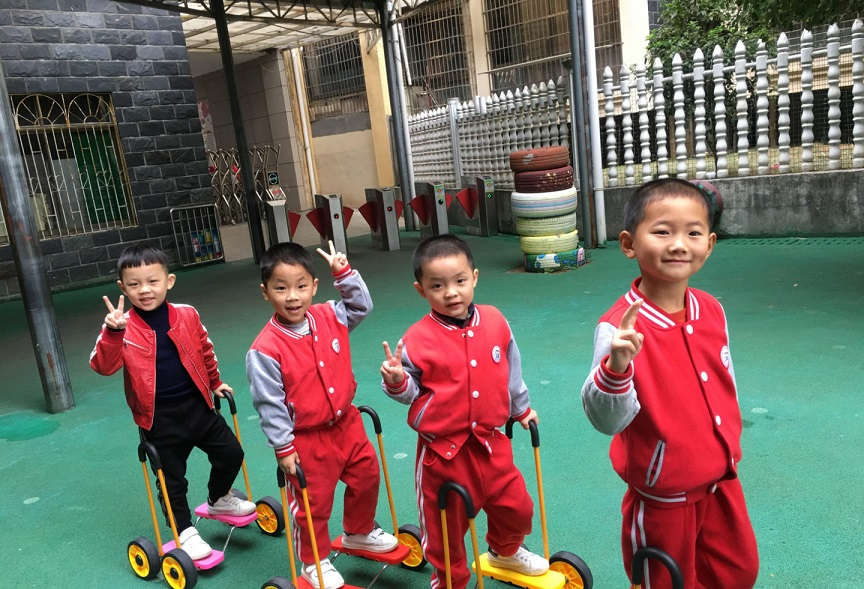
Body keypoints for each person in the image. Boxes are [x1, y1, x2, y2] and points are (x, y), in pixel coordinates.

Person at [581, 178, 759, 589]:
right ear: (629, 244)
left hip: (721, 479)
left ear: (709, 245)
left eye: (693, 233)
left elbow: (724, 381)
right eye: (662, 232)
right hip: (664, 497)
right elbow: (606, 420)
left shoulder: (711, 310)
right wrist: (616, 367)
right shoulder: (617, 329)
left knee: (737, 571)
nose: (679, 244)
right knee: (664, 580)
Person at [380, 234, 549, 589]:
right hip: (443, 454)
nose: (451, 293)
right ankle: (449, 581)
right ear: (421, 290)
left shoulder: (495, 321)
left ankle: (504, 551)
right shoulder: (416, 339)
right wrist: (397, 381)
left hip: (490, 442)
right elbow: (410, 393)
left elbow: (511, 370)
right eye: (437, 286)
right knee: (446, 530)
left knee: (517, 507)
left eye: (459, 281)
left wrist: (521, 409)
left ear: (474, 277)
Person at [247, 241, 397, 589]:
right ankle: (314, 560)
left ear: (314, 286)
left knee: (367, 476)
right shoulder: (265, 349)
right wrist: (283, 448)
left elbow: (361, 306)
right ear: (265, 292)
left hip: (348, 424)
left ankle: (359, 531)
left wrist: (344, 274)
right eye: (280, 288)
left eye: (301, 286)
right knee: (313, 502)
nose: (292, 297)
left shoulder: (330, 314)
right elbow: (269, 403)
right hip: (307, 439)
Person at [90, 245, 255, 561]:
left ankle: (219, 498)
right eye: (135, 284)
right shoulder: (121, 326)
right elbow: (103, 366)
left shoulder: (187, 314)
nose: (145, 290)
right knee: (172, 480)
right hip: (159, 419)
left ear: (169, 281)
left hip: (199, 408)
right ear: (122, 288)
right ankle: (184, 530)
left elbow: (204, 348)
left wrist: (215, 382)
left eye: (153, 281)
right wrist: (112, 332)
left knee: (232, 452)